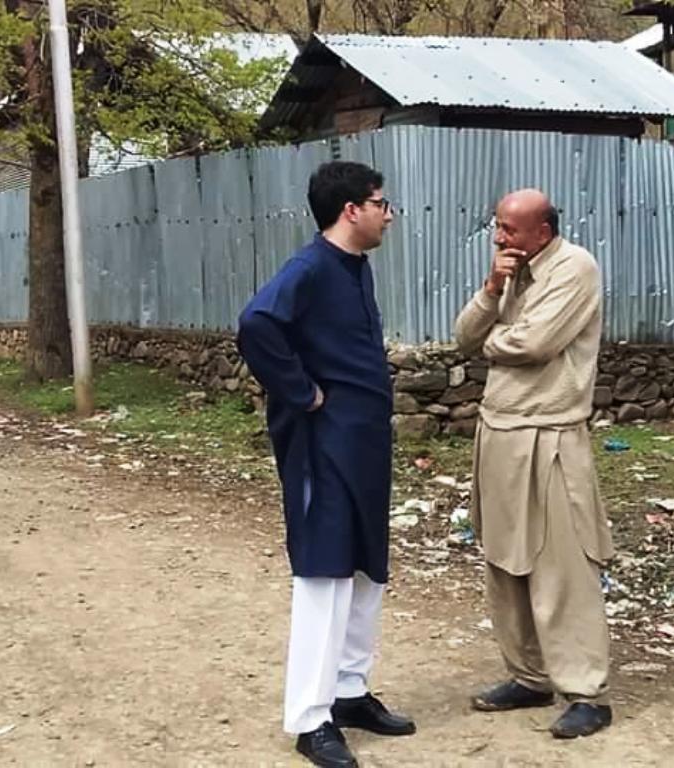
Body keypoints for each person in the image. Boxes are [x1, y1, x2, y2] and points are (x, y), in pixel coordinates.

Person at [237, 161, 414, 768]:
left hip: (364, 443)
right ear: (351, 210)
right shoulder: (309, 268)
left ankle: (348, 691)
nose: (389, 214)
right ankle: (310, 719)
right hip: (323, 444)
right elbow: (256, 324)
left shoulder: (354, 267)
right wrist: (302, 393)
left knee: (366, 566)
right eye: (381, 203)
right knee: (325, 570)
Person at [454, 188, 614, 740]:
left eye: (510, 229)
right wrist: (491, 290)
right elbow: (464, 336)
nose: (500, 238)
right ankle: (529, 675)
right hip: (499, 431)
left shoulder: (574, 268)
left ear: (543, 231)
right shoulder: (509, 273)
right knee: (505, 559)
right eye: (497, 226)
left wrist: (493, 339)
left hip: (550, 434)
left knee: (561, 564)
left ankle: (586, 691)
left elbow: (534, 343)